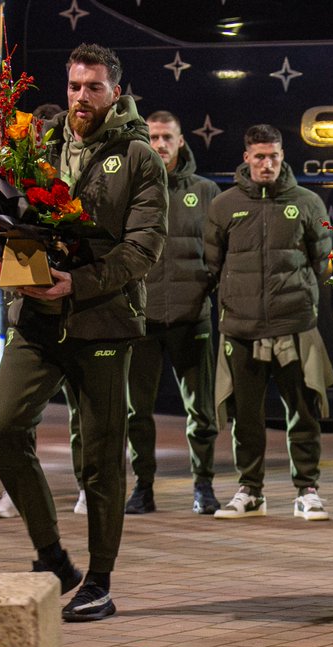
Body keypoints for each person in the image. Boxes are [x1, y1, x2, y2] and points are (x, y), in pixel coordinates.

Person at [0, 43, 167, 621]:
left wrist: (77, 285)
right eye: (73, 87)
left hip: (101, 320)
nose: (80, 98)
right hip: (35, 316)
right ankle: (51, 555)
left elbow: (144, 249)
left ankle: (100, 581)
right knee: (5, 429)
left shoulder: (138, 156)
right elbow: (10, 209)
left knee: (101, 458)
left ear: (115, 90)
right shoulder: (39, 144)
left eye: (92, 88)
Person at [204, 124, 333, 521]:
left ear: (282, 156)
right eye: (259, 156)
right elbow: (211, 267)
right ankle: (250, 491)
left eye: (273, 156)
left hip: (294, 326)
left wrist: (309, 311)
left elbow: (322, 265)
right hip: (241, 329)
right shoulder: (223, 205)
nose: (267, 164)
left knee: (303, 411)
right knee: (247, 416)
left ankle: (307, 490)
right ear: (246, 157)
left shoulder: (308, 202)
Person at [120, 110, 221, 515]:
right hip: (140, 319)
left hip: (190, 318)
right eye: (154, 137)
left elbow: (219, 257)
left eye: (168, 137)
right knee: (136, 413)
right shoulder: (129, 190)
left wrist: (205, 295)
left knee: (201, 411)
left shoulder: (207, 191)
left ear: (182, 141)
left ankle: (204, 487)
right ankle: (142, 488)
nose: (161, 144)